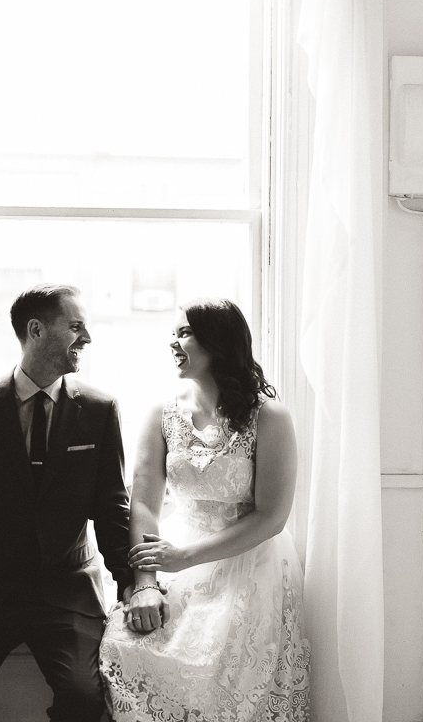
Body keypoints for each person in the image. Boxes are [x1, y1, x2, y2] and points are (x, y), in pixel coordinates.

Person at [0, 284, 133, 722]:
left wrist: (133, 583)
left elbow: (112, 509)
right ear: (36, 330)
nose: (86, 338)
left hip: (67, 594)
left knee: (85, 702)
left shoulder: (99, 409)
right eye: (75, 327)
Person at [99, 297, 311, 721]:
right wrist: (145, 581)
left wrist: (186, 557)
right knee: (128, 645)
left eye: (184, 333)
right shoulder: (162, 414)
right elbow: (143, 501)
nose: (173, 343)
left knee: (231, 684)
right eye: (173, 333)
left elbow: (272, 516)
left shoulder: (269, 418)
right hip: (177, 554)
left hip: (250, 564)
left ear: (218, 342)